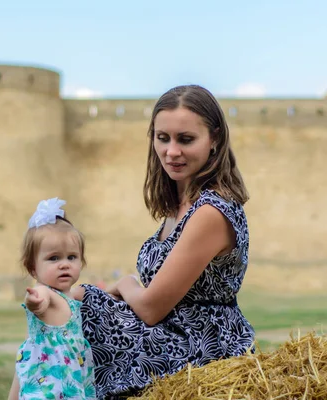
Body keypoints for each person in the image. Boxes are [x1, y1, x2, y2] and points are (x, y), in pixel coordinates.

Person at [74, 85, 256, 399]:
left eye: (186, 139)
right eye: (163, 138)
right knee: (60, 308)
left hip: (196, 346)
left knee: (71, 308)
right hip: (168, 335)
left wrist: (126, 283)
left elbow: (151, 308)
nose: (172, 151)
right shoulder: (180, 205)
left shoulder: (211, 212)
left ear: (214, 139)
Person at [8, 198, 96, 400]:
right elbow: (41, 300)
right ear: (32, 268)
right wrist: (35, 302)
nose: (64, 264)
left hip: (72, 377)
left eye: (71, 257)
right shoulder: (46, 293)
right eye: (54, 258)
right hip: (50, 384)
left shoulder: (70, 295)